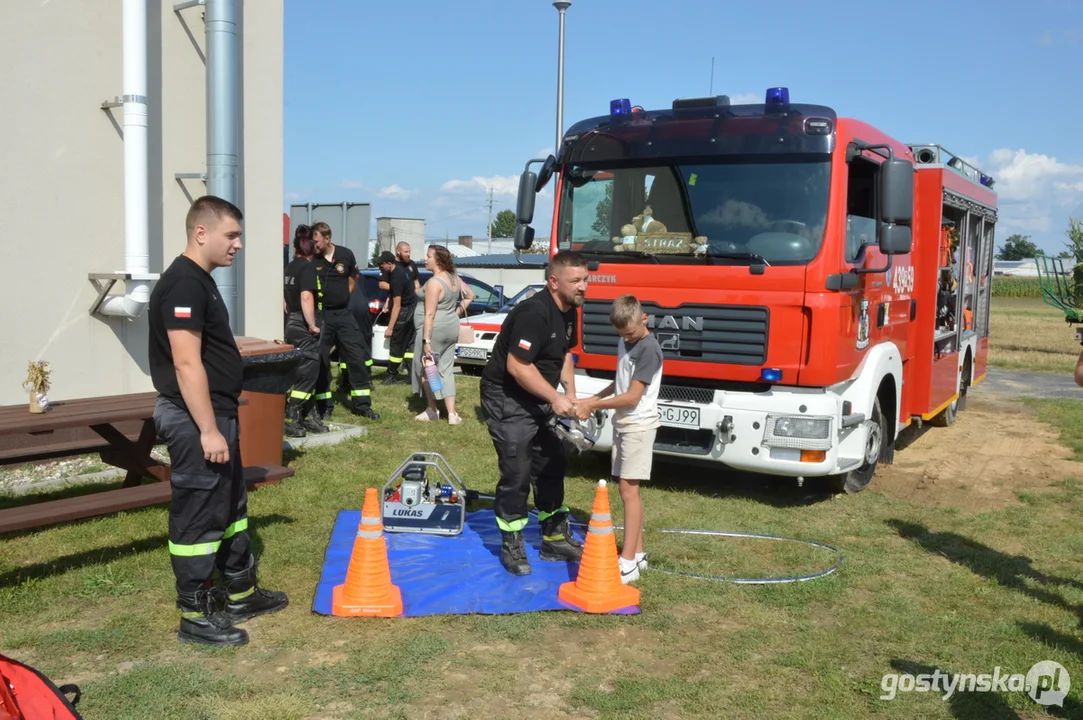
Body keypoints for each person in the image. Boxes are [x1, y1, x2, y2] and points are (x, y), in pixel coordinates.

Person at [148, 195, 288, 647]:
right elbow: (187, 364)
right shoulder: (184, 285)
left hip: (217, 413)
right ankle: (195, 612)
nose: (239, 245)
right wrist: (208, 429)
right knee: (198, 516)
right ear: (200, 233)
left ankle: (240, 592)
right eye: (231, 235)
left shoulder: (201, 281)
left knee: (229, 508)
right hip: (195, 418)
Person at [480, 250, 589, 576]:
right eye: (576, 281)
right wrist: (554, 397)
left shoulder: (570, 309)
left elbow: (565, 353)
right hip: (507, 396)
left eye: (586, 279)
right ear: (554, 282)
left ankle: (554, 537)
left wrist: (569, 395)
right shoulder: (533, 313)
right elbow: (517, 366)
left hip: (540, 393)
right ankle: (512, 542)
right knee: (518, 469)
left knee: (553, 460)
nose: (583, 286)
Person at [575, 295, 663, 584]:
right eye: (621, 333)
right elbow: (622, 380)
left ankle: (627, 562)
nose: (626, 337)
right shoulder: (628, 341)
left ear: (644, 319)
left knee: (628, 490)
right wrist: (595, 397)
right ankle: (637, 554)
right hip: (625, 422)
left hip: (639, 424)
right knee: (630, 490)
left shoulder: (649, 349)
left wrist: (592, 406)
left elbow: (633, 396)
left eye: (630, 332)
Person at [312, 222, 380, 420]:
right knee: (321, 359)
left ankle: (362, 405)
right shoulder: (312, 259)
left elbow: (352, 278)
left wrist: (344, 296)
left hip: (344, 314)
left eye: (316, 241)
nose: (314, 244)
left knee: (356, 357)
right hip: (323, 316)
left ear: (327, 238)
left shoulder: (345, 254)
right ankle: (324, 404)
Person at [411, 244, 475, 424]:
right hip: (451, 327)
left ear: (437, 260)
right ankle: (452, 414)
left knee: (428, 368)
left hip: (435, 329)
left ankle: (432, 408)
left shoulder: (434, 282)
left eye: (428, 256)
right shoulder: (455, 278)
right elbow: (470, 295)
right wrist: (455, 313)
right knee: (446, 369)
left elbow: (429, 314)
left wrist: (426, 340)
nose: (425, 259)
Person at [282, 224, 329, 438]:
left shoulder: (291, 266)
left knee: (306, 369)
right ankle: (292, 414)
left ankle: (307, 416)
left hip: (292, 320)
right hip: (303, 323)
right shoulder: (307, 268)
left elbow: (285, 299)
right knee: (309, 368)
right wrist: (311, 324)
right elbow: (306, 296)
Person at [377, 250, 417, 383]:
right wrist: (388, 302)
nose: (380, 267)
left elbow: (398, 305)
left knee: (397, 343)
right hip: (412, 310)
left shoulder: (396, 277)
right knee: (409, 345)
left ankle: (391, 375)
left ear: (389, 263)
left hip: (405, 312)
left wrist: (390, 328)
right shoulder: (400, 271)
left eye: (381, 265)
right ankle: (412, 376)